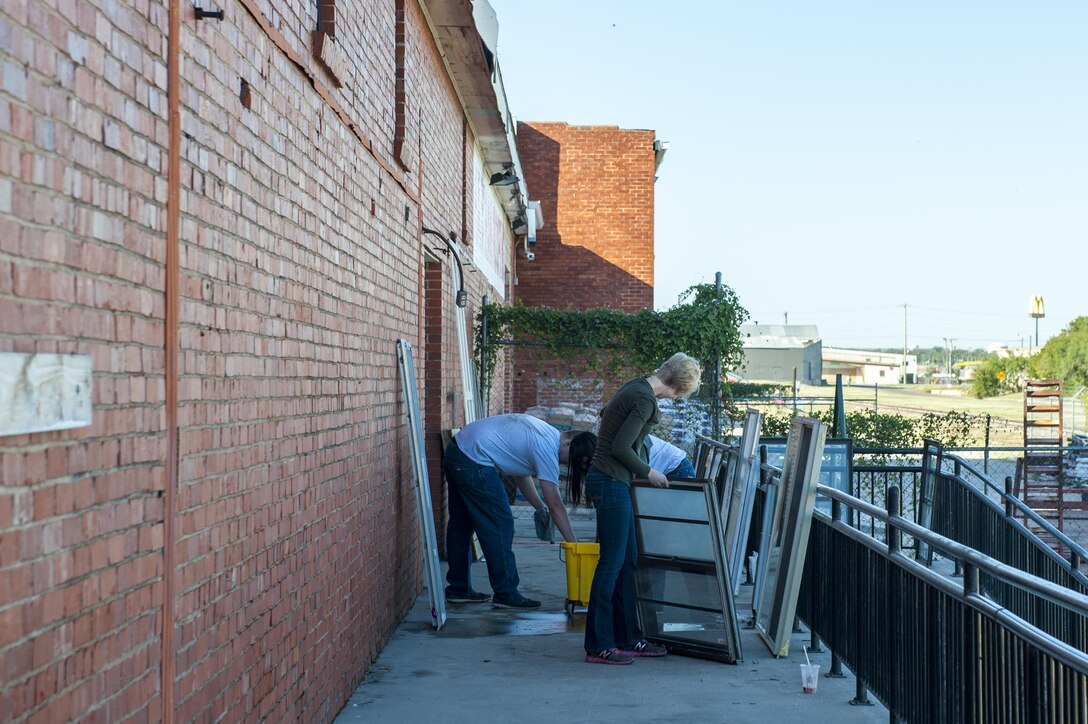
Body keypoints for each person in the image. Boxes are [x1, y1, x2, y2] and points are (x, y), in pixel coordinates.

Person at [581, 352, 702, 664]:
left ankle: (629, 637)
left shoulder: (636, 386)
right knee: (611, 564)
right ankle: (599, 645)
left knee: (628, 561)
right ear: (677, 387)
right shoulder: (645, 399)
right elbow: (620, 447)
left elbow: (605, 412)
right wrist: (650, 472)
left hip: (610, 481)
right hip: (610, 482)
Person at [443, 413, 597, 609]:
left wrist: (539, 508)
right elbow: (556, 505)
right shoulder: (547, 447)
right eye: (571, 460)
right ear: (569, 443)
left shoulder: (543, 433)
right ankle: (506, 593)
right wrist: (574, 545)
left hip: (457, 452)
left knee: (461, 525)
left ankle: (458, 589)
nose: (565, 464)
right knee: (500, 526)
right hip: (473, 460)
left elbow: (521, 475)